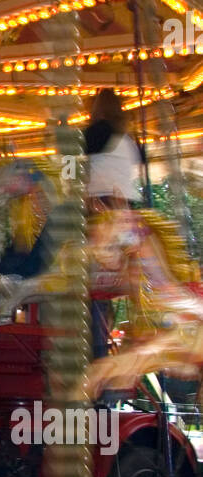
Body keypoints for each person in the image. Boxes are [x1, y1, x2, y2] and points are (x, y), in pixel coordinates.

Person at [84, 89, 143, 363]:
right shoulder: (129, 140)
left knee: (57, 243)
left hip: (101, 207)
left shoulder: (95, 133)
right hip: (129, 211)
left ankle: (95, 349)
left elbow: (68, 170)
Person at [85, 88, 142, 210]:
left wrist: (69, 185)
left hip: (100, 200)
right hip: (125, 200)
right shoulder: (128, 139)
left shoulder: (97, 131)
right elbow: (139, 160)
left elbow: (72, 157)